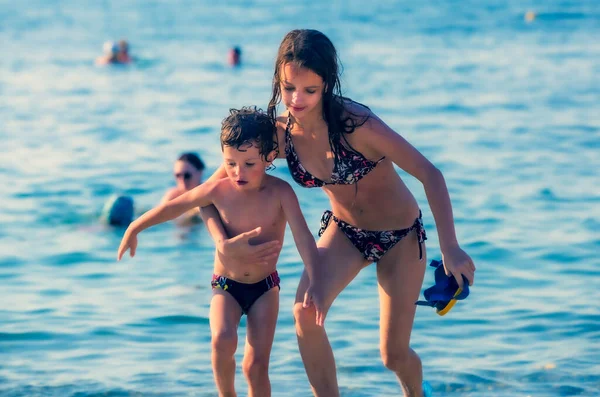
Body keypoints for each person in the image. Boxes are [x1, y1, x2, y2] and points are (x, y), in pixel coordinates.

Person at [200, 29, 476, 397]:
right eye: (288, 88)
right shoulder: (278, 136)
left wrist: (451, 247)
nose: (297, 100)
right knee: (304, 311)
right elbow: (205, 195)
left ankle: (416, 392)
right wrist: (223, 243)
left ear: (327, 84)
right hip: (346, 232)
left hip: (400, 237)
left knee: (392, 355)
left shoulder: (356, 125)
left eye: (310, 90)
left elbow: (431, 174)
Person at [117, 106, 321, 397]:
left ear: (268, 158)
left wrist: (315, 280)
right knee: (221, 341)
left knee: (255, 366)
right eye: (231, 163)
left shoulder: (280, 193)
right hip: (225, 286)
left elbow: (303, 237)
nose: (238, 172)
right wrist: (134, 227)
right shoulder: (218, 190)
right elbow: (174, 206)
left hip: (265, 289)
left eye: (249, 163)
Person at [161, 152, 205, 223]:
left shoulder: (208, 194)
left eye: (187, 176)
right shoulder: (172, 195)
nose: (182, 180)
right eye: (178, 175)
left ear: (200, 172)